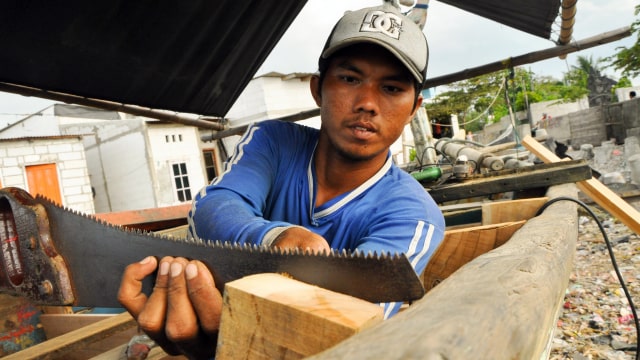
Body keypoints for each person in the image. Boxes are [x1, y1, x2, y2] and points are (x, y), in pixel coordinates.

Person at [117, 4, 445, 359]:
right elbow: (213, 209)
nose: (367, 103)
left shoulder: (414, 217)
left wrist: (222, 345)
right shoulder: (273, 142)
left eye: (392, 88)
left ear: (414, 108)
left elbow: (344, 330)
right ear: (318, 89)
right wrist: (275, 238)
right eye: (350, 79)